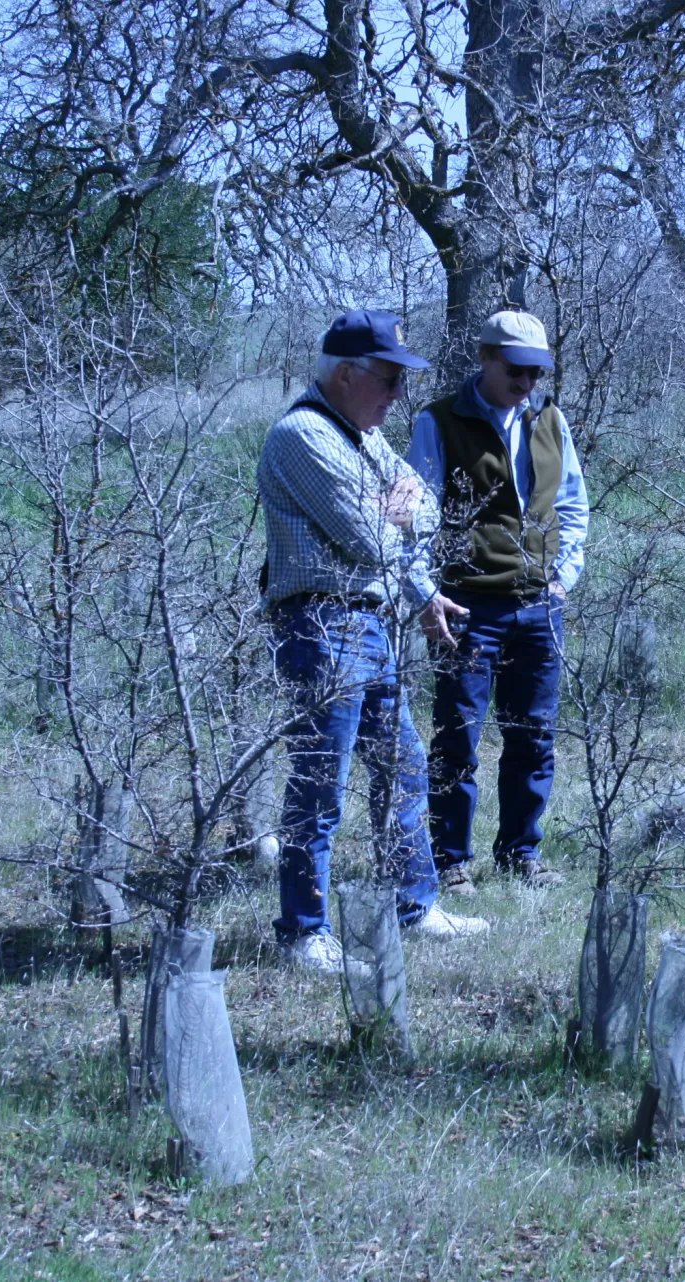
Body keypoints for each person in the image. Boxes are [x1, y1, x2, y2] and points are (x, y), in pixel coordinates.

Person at [259, 309, 489, 974]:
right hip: (321, 626)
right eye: (387, 379)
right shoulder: (303, 435)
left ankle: (414, 907)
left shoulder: (361, 435)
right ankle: (303, 934)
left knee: (405, 768)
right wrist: (395, 514)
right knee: (320, 783)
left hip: (370, 621)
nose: (396, 395)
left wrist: (419, 591)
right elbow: (370, 537)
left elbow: (421, 507)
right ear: (346, 374)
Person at [408, 310, 589, 892]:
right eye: (516, 369)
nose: (527, 382)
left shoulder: (552, 422)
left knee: (533, 735)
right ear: (485, 358)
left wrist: (564, 577)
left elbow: (573, 506)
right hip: (468, 607)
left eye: (537, 371)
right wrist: (427, 592)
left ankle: (520, 855)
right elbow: (416, 515)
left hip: (540, 608)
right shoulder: (438, 421)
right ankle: (448, 860)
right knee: (457, 736)